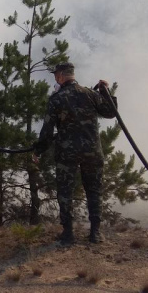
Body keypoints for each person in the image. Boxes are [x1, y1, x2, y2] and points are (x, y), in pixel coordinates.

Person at [32, 62, 117, 245]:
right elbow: (111, 113)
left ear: (61, 75)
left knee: (65, 192)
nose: (56, 78)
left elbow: (47, 130)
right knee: (94, 190)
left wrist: (38, 150)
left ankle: (68, 234)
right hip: (92, 151)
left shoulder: (56, 99)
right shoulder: (90, 94)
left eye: (56, 75)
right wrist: (106, 92)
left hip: (67, 153)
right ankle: (95, 233)